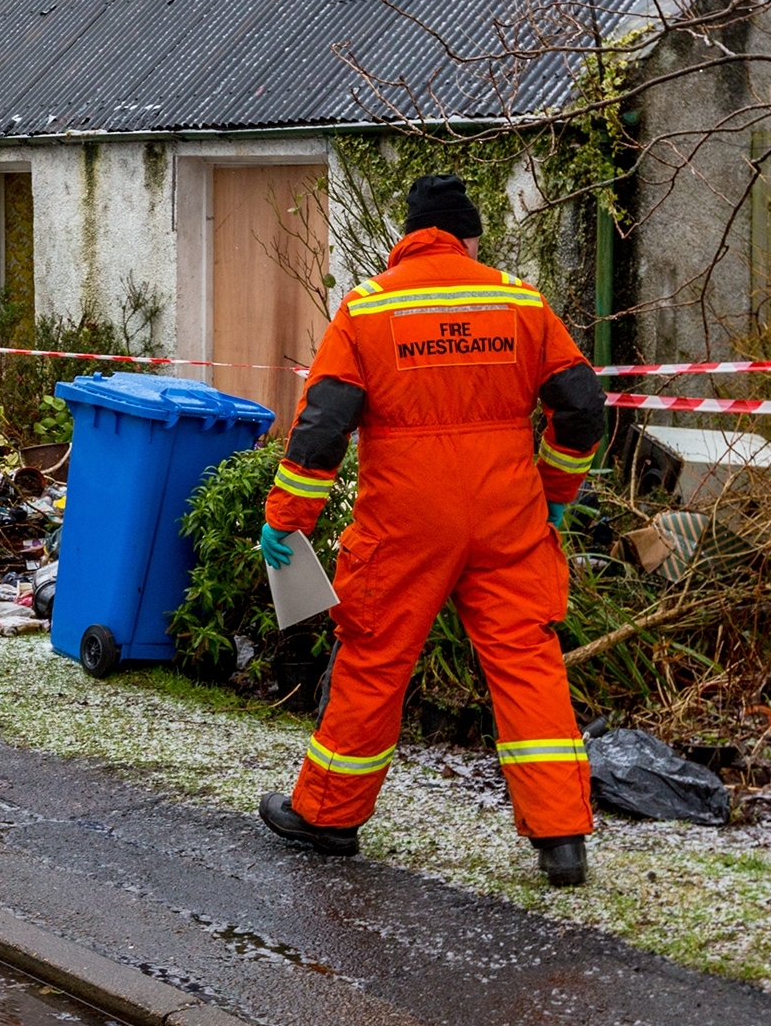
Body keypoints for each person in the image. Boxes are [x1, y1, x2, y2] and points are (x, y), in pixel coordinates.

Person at [255, 174, 608, 886]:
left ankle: (328, 815)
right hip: (508, 516)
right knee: (527, 664)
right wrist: (555, 491)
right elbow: (583, 407)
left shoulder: (367, 308)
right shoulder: (519, 302)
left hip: (406, 521)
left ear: (409, 237)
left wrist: (287, 520)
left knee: (375, 660)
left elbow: (322, 427)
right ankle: (562, 838)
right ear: (468, 236)